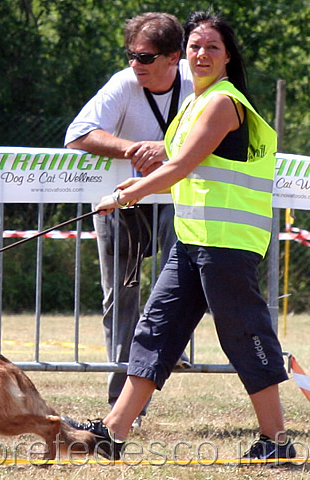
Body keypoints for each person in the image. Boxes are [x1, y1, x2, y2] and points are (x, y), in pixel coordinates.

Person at [78, 10, 296, 463]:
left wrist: (123, 196)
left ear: (227, 56)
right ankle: (113, 434)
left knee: (244, 335)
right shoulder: (195, 103)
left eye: (211, 47)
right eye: (195, 46)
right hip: (192, 241)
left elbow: (179, 167)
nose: (201, 54)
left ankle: (277, 441)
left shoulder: (223, 102)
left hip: (227, 245)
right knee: (155, 330)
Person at [64, 12, 193, 427]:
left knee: (177, 295)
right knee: (119, 298)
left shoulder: (198, 82)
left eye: (145, 57)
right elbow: (79, 134)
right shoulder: (124, 83)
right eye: (131, 54)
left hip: (182, 202)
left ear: (173, 57)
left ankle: (165, 357)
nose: (135, 64)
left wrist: (167, 149)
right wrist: (134, 149)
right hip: (123, 205)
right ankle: (123, 401)